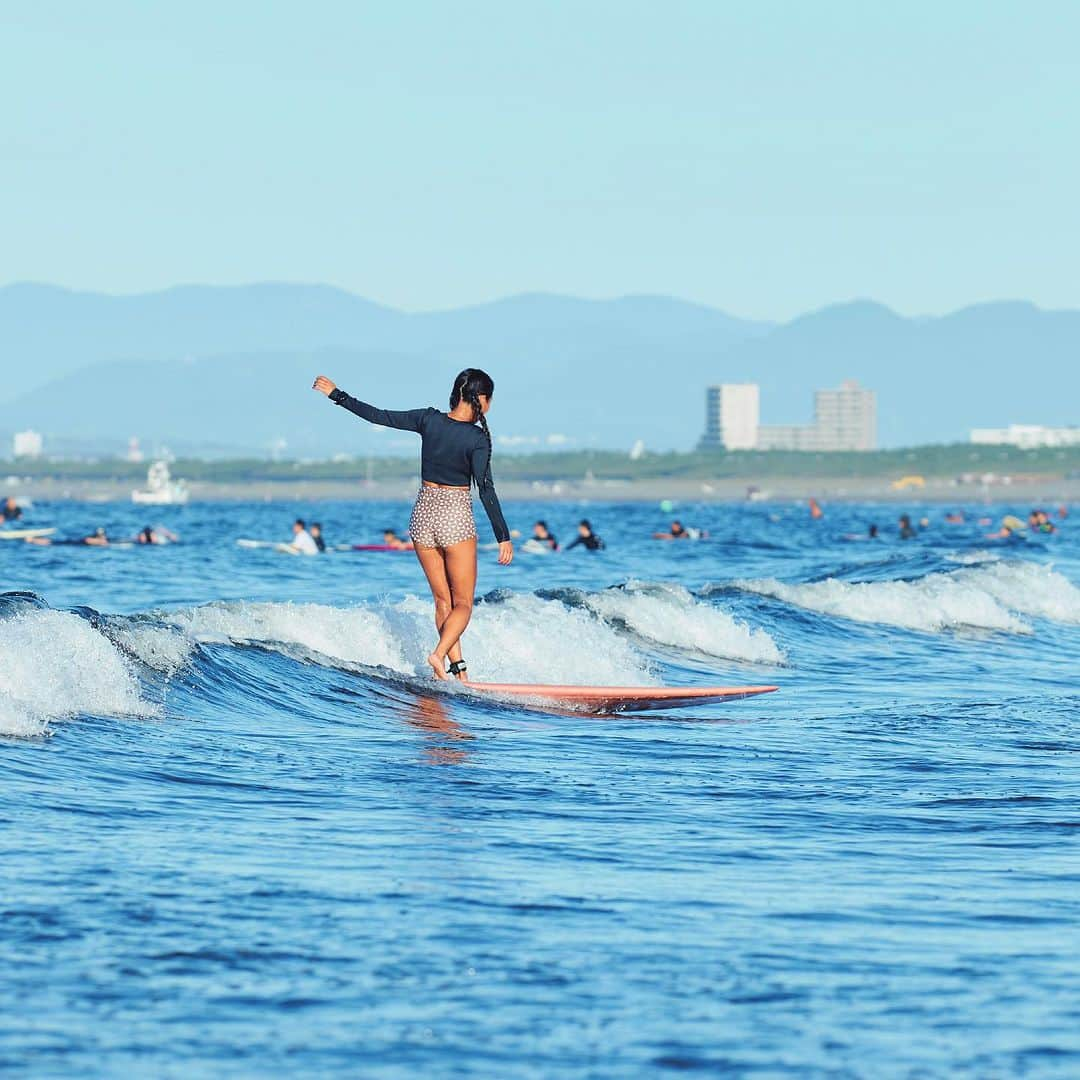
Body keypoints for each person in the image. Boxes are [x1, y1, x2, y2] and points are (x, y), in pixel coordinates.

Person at [314, 367, 512, 681]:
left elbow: (379, 416)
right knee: (462, 604)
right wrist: (503, 536)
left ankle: (457, 673)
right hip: (453, 514)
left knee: (442, 600)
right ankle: (437, 654)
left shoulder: (428, 419)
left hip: (422, 514)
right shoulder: (477, 438)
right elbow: (485, 489)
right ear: (481, 399)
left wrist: (337, 395)